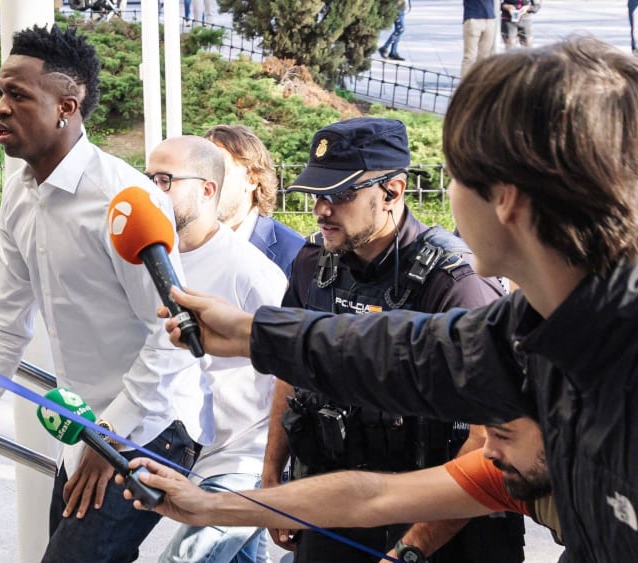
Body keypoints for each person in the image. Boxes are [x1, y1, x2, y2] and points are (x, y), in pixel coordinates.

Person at [160, 38, 638, 561]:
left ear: (506, 198)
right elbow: (398, 352)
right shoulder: (562, 309)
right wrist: (247, 333)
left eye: (457, 176)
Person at [0, 25, 213, 563]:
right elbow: (5, 324)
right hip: (88, 429)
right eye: (0, 92)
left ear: (67, 106)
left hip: (152, 426)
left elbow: (171, 335)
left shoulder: (124, 199)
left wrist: (111, 436)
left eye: (18, 95)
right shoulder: (19, 193)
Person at [260, 117, 522, 563]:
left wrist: (411, 549)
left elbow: (488, 439)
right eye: (317, 194)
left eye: (340, 194)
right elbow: (291, 371)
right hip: (340, 502)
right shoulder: (312, 263)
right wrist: (273, 480)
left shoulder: (457, 283)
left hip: (444, 519)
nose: (321, 209)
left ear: (392, 191)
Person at [146, 135, 287, 563]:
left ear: (207, 189)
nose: (153, 191)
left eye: (165, 180)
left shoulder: (253, 271)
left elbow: (292, 368)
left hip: (244, 459)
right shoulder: (156, 256)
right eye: (148, 179)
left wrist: (273, 469)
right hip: (192, 448)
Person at [122, 417, 561, 549]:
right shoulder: (512, 469)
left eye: (503, 436)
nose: (486, 451)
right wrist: (205, 506)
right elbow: (370, 497)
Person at [203, 124, 304, 276]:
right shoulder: (182, 243)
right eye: (201, 171)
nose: (206, 182)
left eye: (219, 171)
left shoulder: (294, 253)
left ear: (252, 180)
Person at [461, 0, 496, 76]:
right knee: (470, 57)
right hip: (473, 17)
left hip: (489, 18)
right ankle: (466, 82)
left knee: (485, 58)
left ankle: (481, 81)